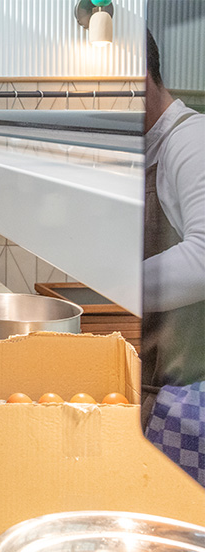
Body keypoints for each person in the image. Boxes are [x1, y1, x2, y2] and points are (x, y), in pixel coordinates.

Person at [141, 29, 205, 482]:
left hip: (191, 400)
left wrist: (114, 283)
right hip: (161, 391)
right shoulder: (148, 147)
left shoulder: (193, 143)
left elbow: (203, 258)